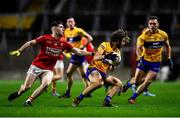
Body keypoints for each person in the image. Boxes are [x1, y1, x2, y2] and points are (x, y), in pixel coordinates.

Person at [7, 21, 94, 106]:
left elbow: (78, 51)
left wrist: (91, 53)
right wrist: (20, 50)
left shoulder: (64, 43)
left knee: (46, 84)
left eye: (63, 27)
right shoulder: (45, 38)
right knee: (26, 87)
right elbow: (30, 43)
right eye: (61, 27)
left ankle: (29, 100)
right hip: (37, 66)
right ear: (54, 29)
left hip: (49, 69)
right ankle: (19, 92)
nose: (63, 29)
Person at [72, 29, 130, 107]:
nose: (124, 43)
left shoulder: (117, 52)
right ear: (116, 41)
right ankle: (78, 99)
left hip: (103, 73)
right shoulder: (105, 45)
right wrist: (106, 56)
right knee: (99, 83)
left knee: (118, 83)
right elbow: (95, 57)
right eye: (123, 41)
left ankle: (107, 101)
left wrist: (113, 64)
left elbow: (111, 68)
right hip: (93, 69)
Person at [122, 16, 173, 104]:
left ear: (158, 24)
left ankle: (132, 98)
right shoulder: (143, 36)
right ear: (148, 25)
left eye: (154, 24)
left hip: (156, 62)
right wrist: (140, 57)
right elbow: (138, 48)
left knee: (148, 81)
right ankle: (128, 84)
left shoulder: (163, 34)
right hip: (144, 60)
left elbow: (168, 46)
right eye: (150, 24)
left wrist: (169, 57)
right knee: (137, 82)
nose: (152, 25)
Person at [60, 17, 93, 98]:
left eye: (71, 21)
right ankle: (88, 91)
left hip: (78, 54)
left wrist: (83, 46)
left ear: (74, 22)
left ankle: (68, 92)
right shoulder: (66, 31)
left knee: (68, 73)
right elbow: (67, 42)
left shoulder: (78, 31)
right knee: (83, 75)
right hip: (74, 54)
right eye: (68, 22)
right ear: (67, 24)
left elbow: (90, 38)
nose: (70, 23)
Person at [129, 26, 156, 97]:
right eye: (145, 30)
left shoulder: (148, 38)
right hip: (142, 60)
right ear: (142, 32)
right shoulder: (141, 38)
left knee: (146, 77)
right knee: (143, 78)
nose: (147, 31)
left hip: (148, 60)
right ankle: (131, 84)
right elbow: (139, 49)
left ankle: (144, 90)